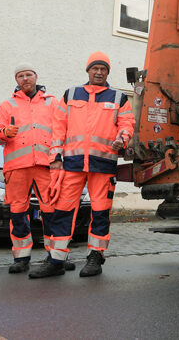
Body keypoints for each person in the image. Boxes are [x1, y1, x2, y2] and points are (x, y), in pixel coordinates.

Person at [28, 51, 135, 279]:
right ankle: (56, 259)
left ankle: (95, 257)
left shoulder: (118, 97)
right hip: (72, 164)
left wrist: (122, 138)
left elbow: (127, 123)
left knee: (100, 212)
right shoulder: (71, 94)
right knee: (62, 210)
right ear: (88, 70)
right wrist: (55, 158)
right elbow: (58, 128)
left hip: (103, 164)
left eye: (103, 69)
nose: (99, 72)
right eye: (95, 68)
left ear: (108, 72)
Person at [0, 63, 74, 274]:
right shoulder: (7, 105)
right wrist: (3, 132)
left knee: (51, 212)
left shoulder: (52, 102)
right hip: (17, 167)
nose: (25, 79)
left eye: (28, 75)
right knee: (18, 212)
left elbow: (64, 129)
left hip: (47, 166)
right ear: (16, 80)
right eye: (20, 76)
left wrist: (60, 158)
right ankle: (21, 258)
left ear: (36, 77)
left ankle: (56, 257)